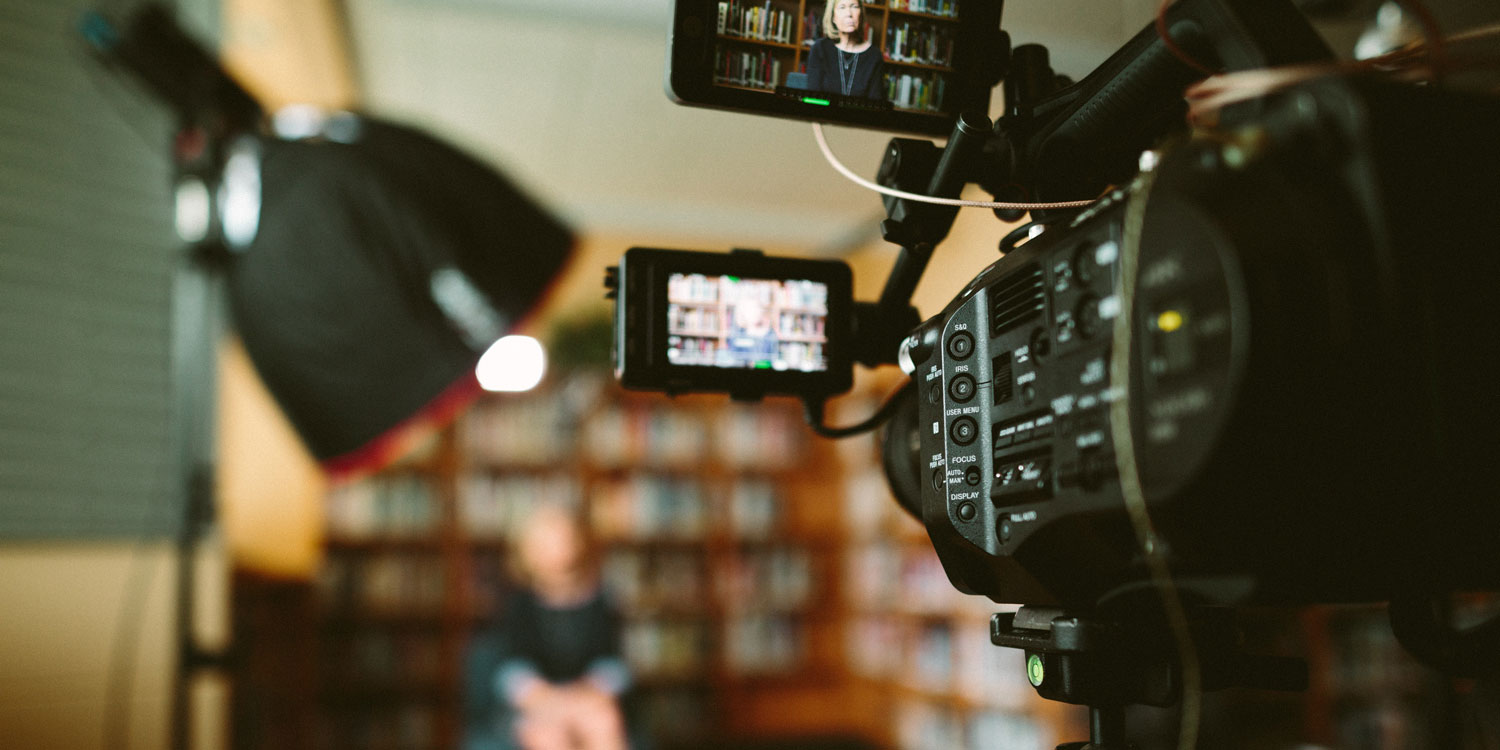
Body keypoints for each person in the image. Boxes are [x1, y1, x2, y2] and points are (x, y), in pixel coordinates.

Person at [466, 503, 634, 750]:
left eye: (560, 539)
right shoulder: (518, 604)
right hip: (538, 704)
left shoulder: (601, 600)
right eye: (542, 544)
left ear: (576, 542)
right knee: (547, 734)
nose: (553, 550)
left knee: (603, 723)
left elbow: (613, 662)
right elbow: (511, 668)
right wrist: (546, 699)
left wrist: (588, 693)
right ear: (526, 552)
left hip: (588, 699)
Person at [803, 0, 887, 101]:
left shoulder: (875, 56)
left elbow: (875, 106)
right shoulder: (819, 48)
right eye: (842, 7)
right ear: (833, 17)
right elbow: (813, 99)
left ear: (861, 14)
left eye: (854, 7)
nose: (849, 14)